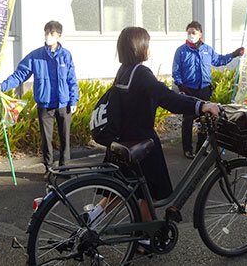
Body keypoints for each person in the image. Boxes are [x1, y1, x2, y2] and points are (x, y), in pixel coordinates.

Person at [83, 27, 220, 254]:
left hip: (121, 142)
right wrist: (200, 105)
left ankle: (91, 219)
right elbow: (166, 97)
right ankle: (145, 240)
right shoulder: (141, 73)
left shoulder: (124, 71)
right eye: (147, 43)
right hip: (142, 144)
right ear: (138, 47)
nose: (149, 48)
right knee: (152, 192)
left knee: (120, 190)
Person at [0, 20, 79, 169]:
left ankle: (65, 167)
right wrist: (2, 86)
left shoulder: (66, 55)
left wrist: (73, 100)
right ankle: (49, 168)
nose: (48, 36)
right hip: (45, 103)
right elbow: (20, 74)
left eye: (52, 33)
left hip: (63, 103)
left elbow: (71, 79)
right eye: (46, 33)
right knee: (46, 139)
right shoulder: (35, 56)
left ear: (59, 35)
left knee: (65, 138)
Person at [172, 21, 244, 159]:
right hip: (188, 90)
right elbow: (176, 70)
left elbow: (219, 60)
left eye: (193, 32)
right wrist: (180, 85)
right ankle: (187, 149)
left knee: (204, 120)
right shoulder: (181, 51)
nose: (191, 35)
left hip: (204, 89)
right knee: (188, 120)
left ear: (200, 34)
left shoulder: (207, 50)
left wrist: (234, 54)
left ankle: (201, 148)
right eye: (189, 32)